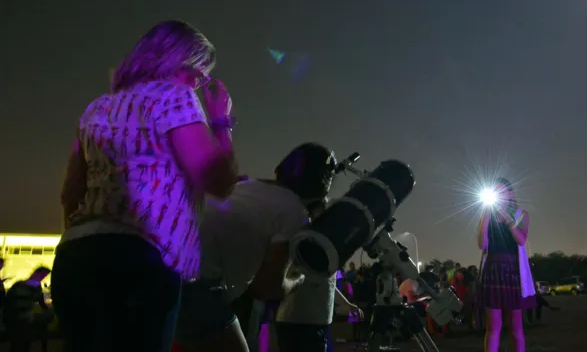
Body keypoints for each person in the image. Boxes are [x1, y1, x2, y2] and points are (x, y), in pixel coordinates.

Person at [54, 20, 239, 352]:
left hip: (74, 257)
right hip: (140, 262)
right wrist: (222, 123)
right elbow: (218, 181)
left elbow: (70, 193)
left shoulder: (97, 108)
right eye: (199, 74)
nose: (199, 84)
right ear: (175, 62)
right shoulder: (175, 96)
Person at [175, 143, 340, 352]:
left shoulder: (246, 187)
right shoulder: (294, 212)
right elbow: (267, 287)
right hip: (196, 284)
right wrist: (298, 279)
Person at [274, 199, 363, 352]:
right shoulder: (298, 240)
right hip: (297, 322)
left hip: (320, 321)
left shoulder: (328, 244)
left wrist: (345, 303)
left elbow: (329, 283)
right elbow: (283, 278)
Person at [476, 178, 534, 352]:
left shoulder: (521, 214)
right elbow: (482, 244)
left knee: (516, 325)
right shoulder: (486, 216)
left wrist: (508, 219)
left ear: (510, 194)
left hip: (513, 270)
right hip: (492, 269)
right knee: (493, 326)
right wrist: (485, 219)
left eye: (502, 192)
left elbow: (521, 240)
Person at [4, 267, 55, 352]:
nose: (43, 277)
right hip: (20, 319)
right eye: (43, 275)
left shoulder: (26, 286)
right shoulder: (23, 286)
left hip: (18, 318)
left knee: (21, 343)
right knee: (21, 342)